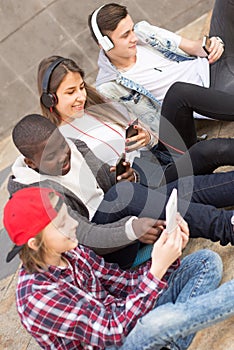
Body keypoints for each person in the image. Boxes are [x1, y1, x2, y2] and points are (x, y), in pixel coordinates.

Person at [4, 186, 234, 349]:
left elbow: (125, 283)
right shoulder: (37, 297)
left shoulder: (72, 251)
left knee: (205, 261)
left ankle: (171, 340)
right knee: (153, 324)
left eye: (69, 217)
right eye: (62, 224)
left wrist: (164, 258)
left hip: (124, 319)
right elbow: (110, 333)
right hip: (112, 339)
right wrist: (155, 274)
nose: (74, 224)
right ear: (35, 243)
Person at [8, 114, 234, 269]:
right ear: (30, 163)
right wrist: (131, 228)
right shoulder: (32, 195)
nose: (62, 156)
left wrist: (123, 176)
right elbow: (84, 236)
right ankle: (226, 227)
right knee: (124, 195)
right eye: (51, 157)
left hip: (125, 213)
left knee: (180, 192)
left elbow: (108, 186)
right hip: (104, 252)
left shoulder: (75, 145)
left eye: (61, 146)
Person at [37, 55, 234, 186]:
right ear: (50, 99)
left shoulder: (92, 106)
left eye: (81, 87)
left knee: (178, 93)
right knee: (209, 150)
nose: (81, 96)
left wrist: (147, 137)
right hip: (149, 182)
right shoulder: (63, 142)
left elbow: (145, 142)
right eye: (71, 92)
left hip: (158, 156)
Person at [88, 1, 234, 132]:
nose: (134, 37)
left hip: (211, 64)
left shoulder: (143, 31)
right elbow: (152, 128)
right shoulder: (110, 86)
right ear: (105, 44)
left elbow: (193, 47)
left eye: (132, 29)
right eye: (125, 35)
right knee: (180, 89)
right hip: (211, 92)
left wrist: (212, 44)